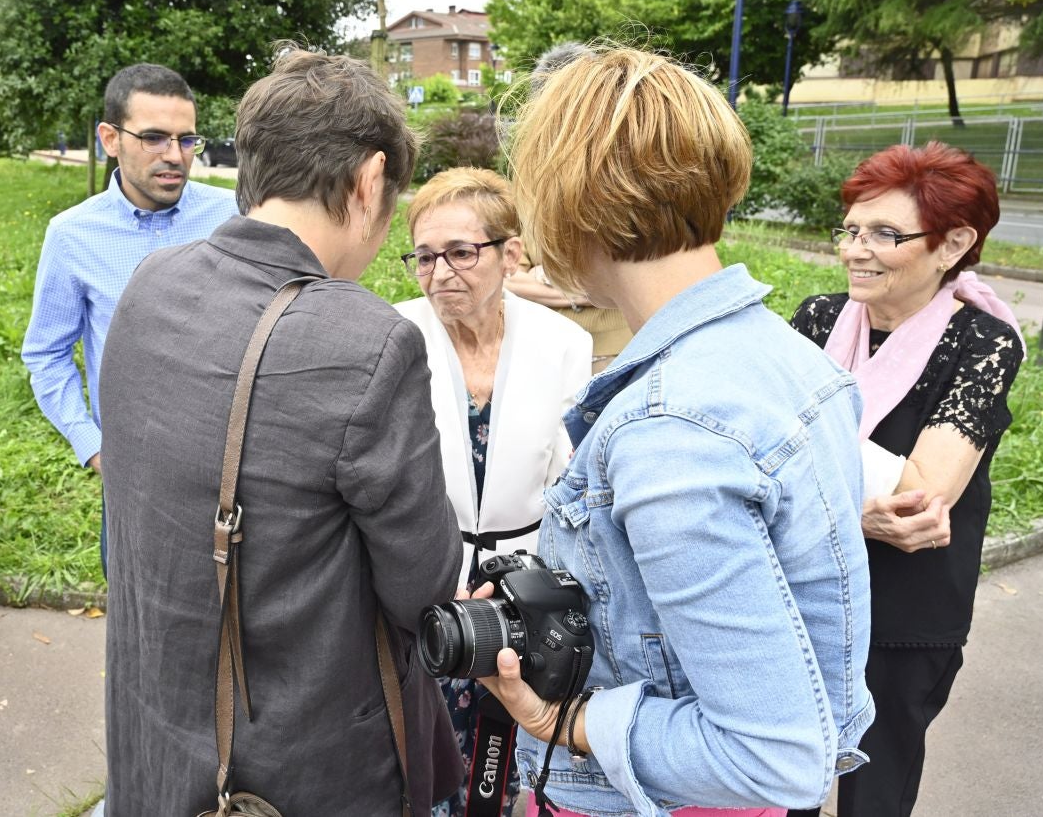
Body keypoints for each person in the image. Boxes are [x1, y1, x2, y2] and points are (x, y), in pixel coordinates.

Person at [473, 45, 874, 817]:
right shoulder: (790, 359)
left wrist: (565, 720)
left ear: (567, 199)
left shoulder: (669, 429)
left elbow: (771, 757)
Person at [99, 48, 464, 814]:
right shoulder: (366, 339)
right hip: (296, 761)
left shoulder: (151, 281)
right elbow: (421, 584)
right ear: (369, 182)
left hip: (157, 725)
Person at [787, 142, 1024, 817]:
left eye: (885, 234)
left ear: (952, 244)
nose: (855, 250)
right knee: (783, 776)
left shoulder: (982, 341)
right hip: (803, 593)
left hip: (906, 607)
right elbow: (760, 454)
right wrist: (851, 511)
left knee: (877, 788)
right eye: (852, 231)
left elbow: (918, 494)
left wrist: (813, 488)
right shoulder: (818, 319)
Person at [396, 167, 590, 816]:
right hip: (429, 584)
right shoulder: (394, 338)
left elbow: (570, 480)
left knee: (514, 755)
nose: (441, 272)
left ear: (510, 254)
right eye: (424, 257)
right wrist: (428, 573)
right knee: (426, 757)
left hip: (527, 588)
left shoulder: (563, 342)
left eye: (459, 252)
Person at [21, 64, 236, 574]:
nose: (173, 155)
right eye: (155, 138)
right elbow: (47, 355)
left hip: (232, 473)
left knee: (235, 632)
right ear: (110, 138)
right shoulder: (73, 235)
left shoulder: (234, 217)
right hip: (136, 480)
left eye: (187, 140)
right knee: (140, 631)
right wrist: (94, 448)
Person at [504, 42, 633, 368]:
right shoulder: (529, 182)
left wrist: (547, 276)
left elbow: (635, 275)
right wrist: (580, 291)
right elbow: (506, 277)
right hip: (548, 349)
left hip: (620, 349)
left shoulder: (625, 175)